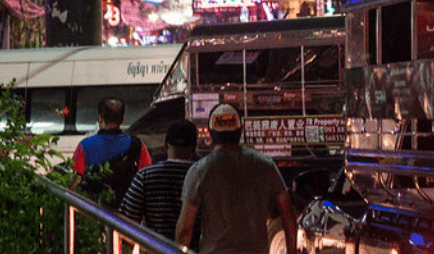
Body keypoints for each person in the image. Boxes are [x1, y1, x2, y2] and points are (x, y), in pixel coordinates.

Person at [175, 103, 297, 254]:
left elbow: (185, 230)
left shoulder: (199, 171)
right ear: (241, 130)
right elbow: (288, 216)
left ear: (210, 134)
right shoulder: (265, 166)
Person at [120, 119, 201, 244]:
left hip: (156, 248)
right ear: (194, 146)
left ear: (165, 144)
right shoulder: (202, 176)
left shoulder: (146, 176)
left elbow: (127, 219)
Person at [72, 97, 152, 208]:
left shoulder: (84, 146)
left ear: (100, 118)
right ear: (122, 120)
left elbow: (73, 184)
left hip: (93, 214)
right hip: (127, 215)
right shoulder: (138, 146)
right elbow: (147, 182)